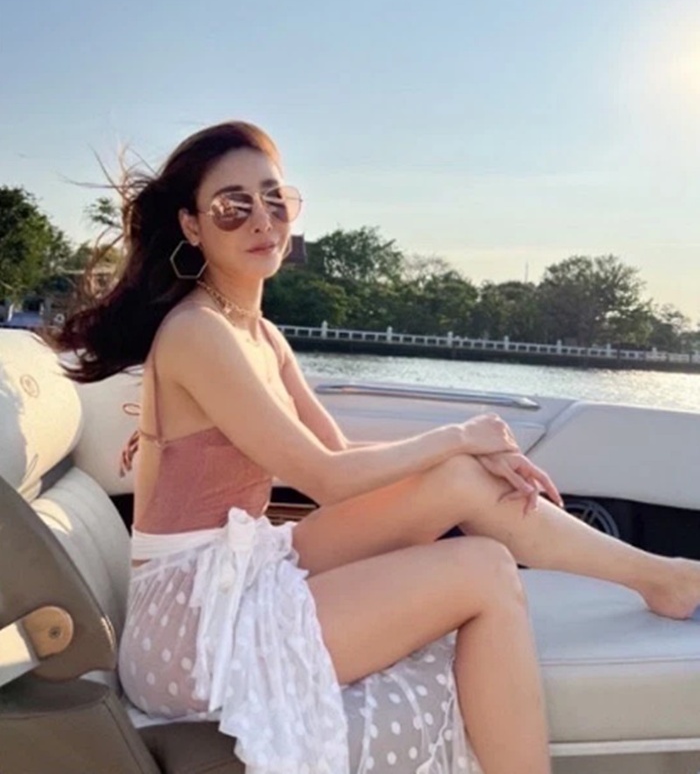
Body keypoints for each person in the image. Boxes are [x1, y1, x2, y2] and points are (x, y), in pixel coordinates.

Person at [56, 121, 700, 774]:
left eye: (276, 199)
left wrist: (462, 458)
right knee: (483, 567)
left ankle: (664, 578)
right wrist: (459, 434)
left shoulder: (260, 334)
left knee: (460, 481)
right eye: (233, 206)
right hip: (193, 629)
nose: (262, 221)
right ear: (192, 226)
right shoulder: (198, 332)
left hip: (245, 571)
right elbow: (326, 479)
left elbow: (340, 455)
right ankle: (662, 585)